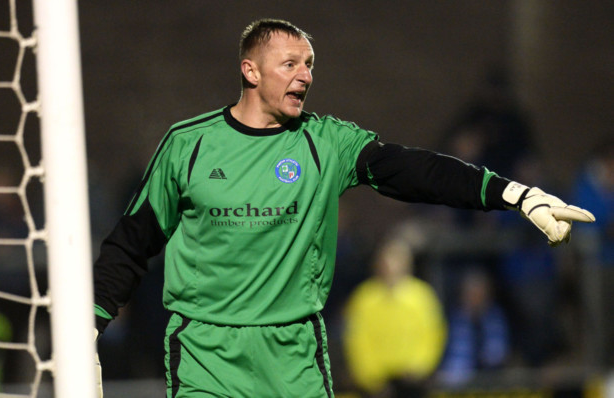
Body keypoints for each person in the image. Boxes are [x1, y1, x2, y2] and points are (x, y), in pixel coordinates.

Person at [92, 19, 595, 398]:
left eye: (310, 64)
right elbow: (131, 242)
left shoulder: (324, 143)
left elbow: (413, 170)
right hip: (207, 354)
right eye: (290, 63)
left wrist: (514, 194)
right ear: (249, 69)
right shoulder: (188, 146)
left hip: (294, 357)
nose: (305, 75)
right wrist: (87, 326)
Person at [342, 237, 446, 397]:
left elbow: (434, 335)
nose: (391, 267)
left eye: (397, 260)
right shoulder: (364, 299)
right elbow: (357, 340)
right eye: (387, 261)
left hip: (413, 382)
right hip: (376, 385)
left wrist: (419, 367)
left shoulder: (422, 297)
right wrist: (371, 378)